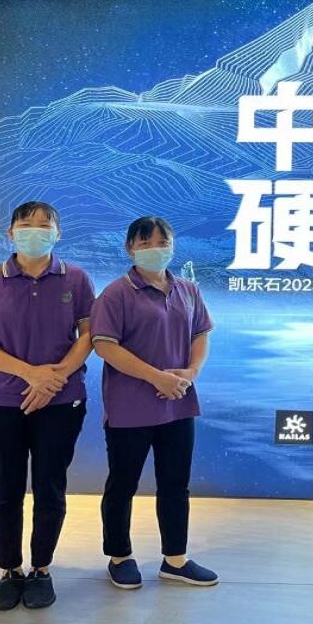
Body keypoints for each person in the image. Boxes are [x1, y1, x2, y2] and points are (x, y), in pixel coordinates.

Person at [0, 201, 94, 610]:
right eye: (26, 224)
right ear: (11, 232)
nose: (36, 230)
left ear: (58, 233)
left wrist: (53, 380)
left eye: (45, 225)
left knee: (50, 487)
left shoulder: (77, 278)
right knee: (5, 489)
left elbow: (88, 336)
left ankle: (41, 569)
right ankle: (10, 570)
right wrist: (31, 374)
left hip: (61, 401)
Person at [90, 215, 217, 589]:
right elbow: (105, 346)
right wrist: (156, 377)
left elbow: (200, 335)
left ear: (173, 247)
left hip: (178, 404)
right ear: (130, 248)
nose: (155, 249)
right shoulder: (116, 294)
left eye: (163, 243)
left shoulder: (188, 290)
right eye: (145, 243)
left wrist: (190, 372)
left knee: (176, 484)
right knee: (123, 484)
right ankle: (119, 556)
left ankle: (175, 559)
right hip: (130, 407)